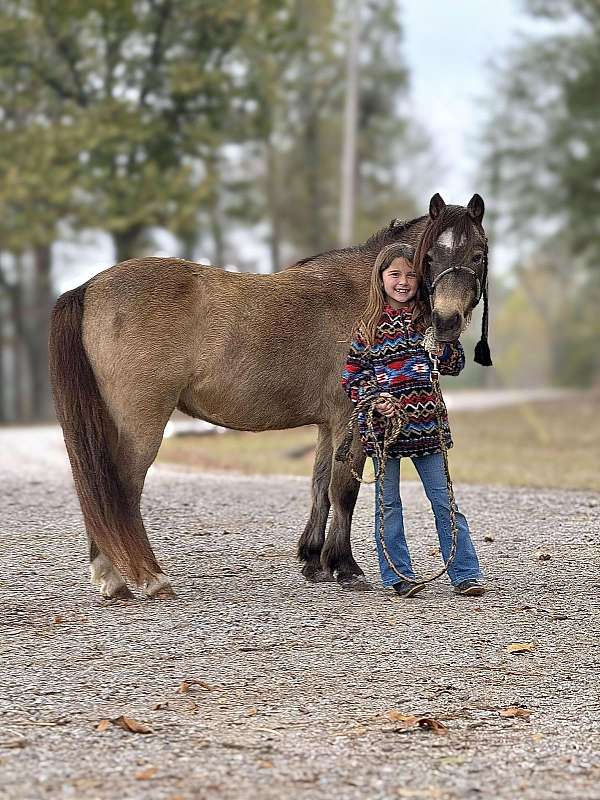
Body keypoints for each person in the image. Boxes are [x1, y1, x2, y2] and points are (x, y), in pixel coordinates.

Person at [341, 241, 485, 598]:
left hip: (426, 429)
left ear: (420, 280)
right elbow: (352, 375)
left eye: (410, 274)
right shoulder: (368, 327)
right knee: (388, 506)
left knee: (444, 501)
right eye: (395, 274)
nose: (403, 281)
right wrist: (375, 400)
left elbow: (454, 365)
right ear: (381, 278)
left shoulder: (429, 321)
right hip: (384, 432)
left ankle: (465, 573)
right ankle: (397, 576)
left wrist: (444, 348)